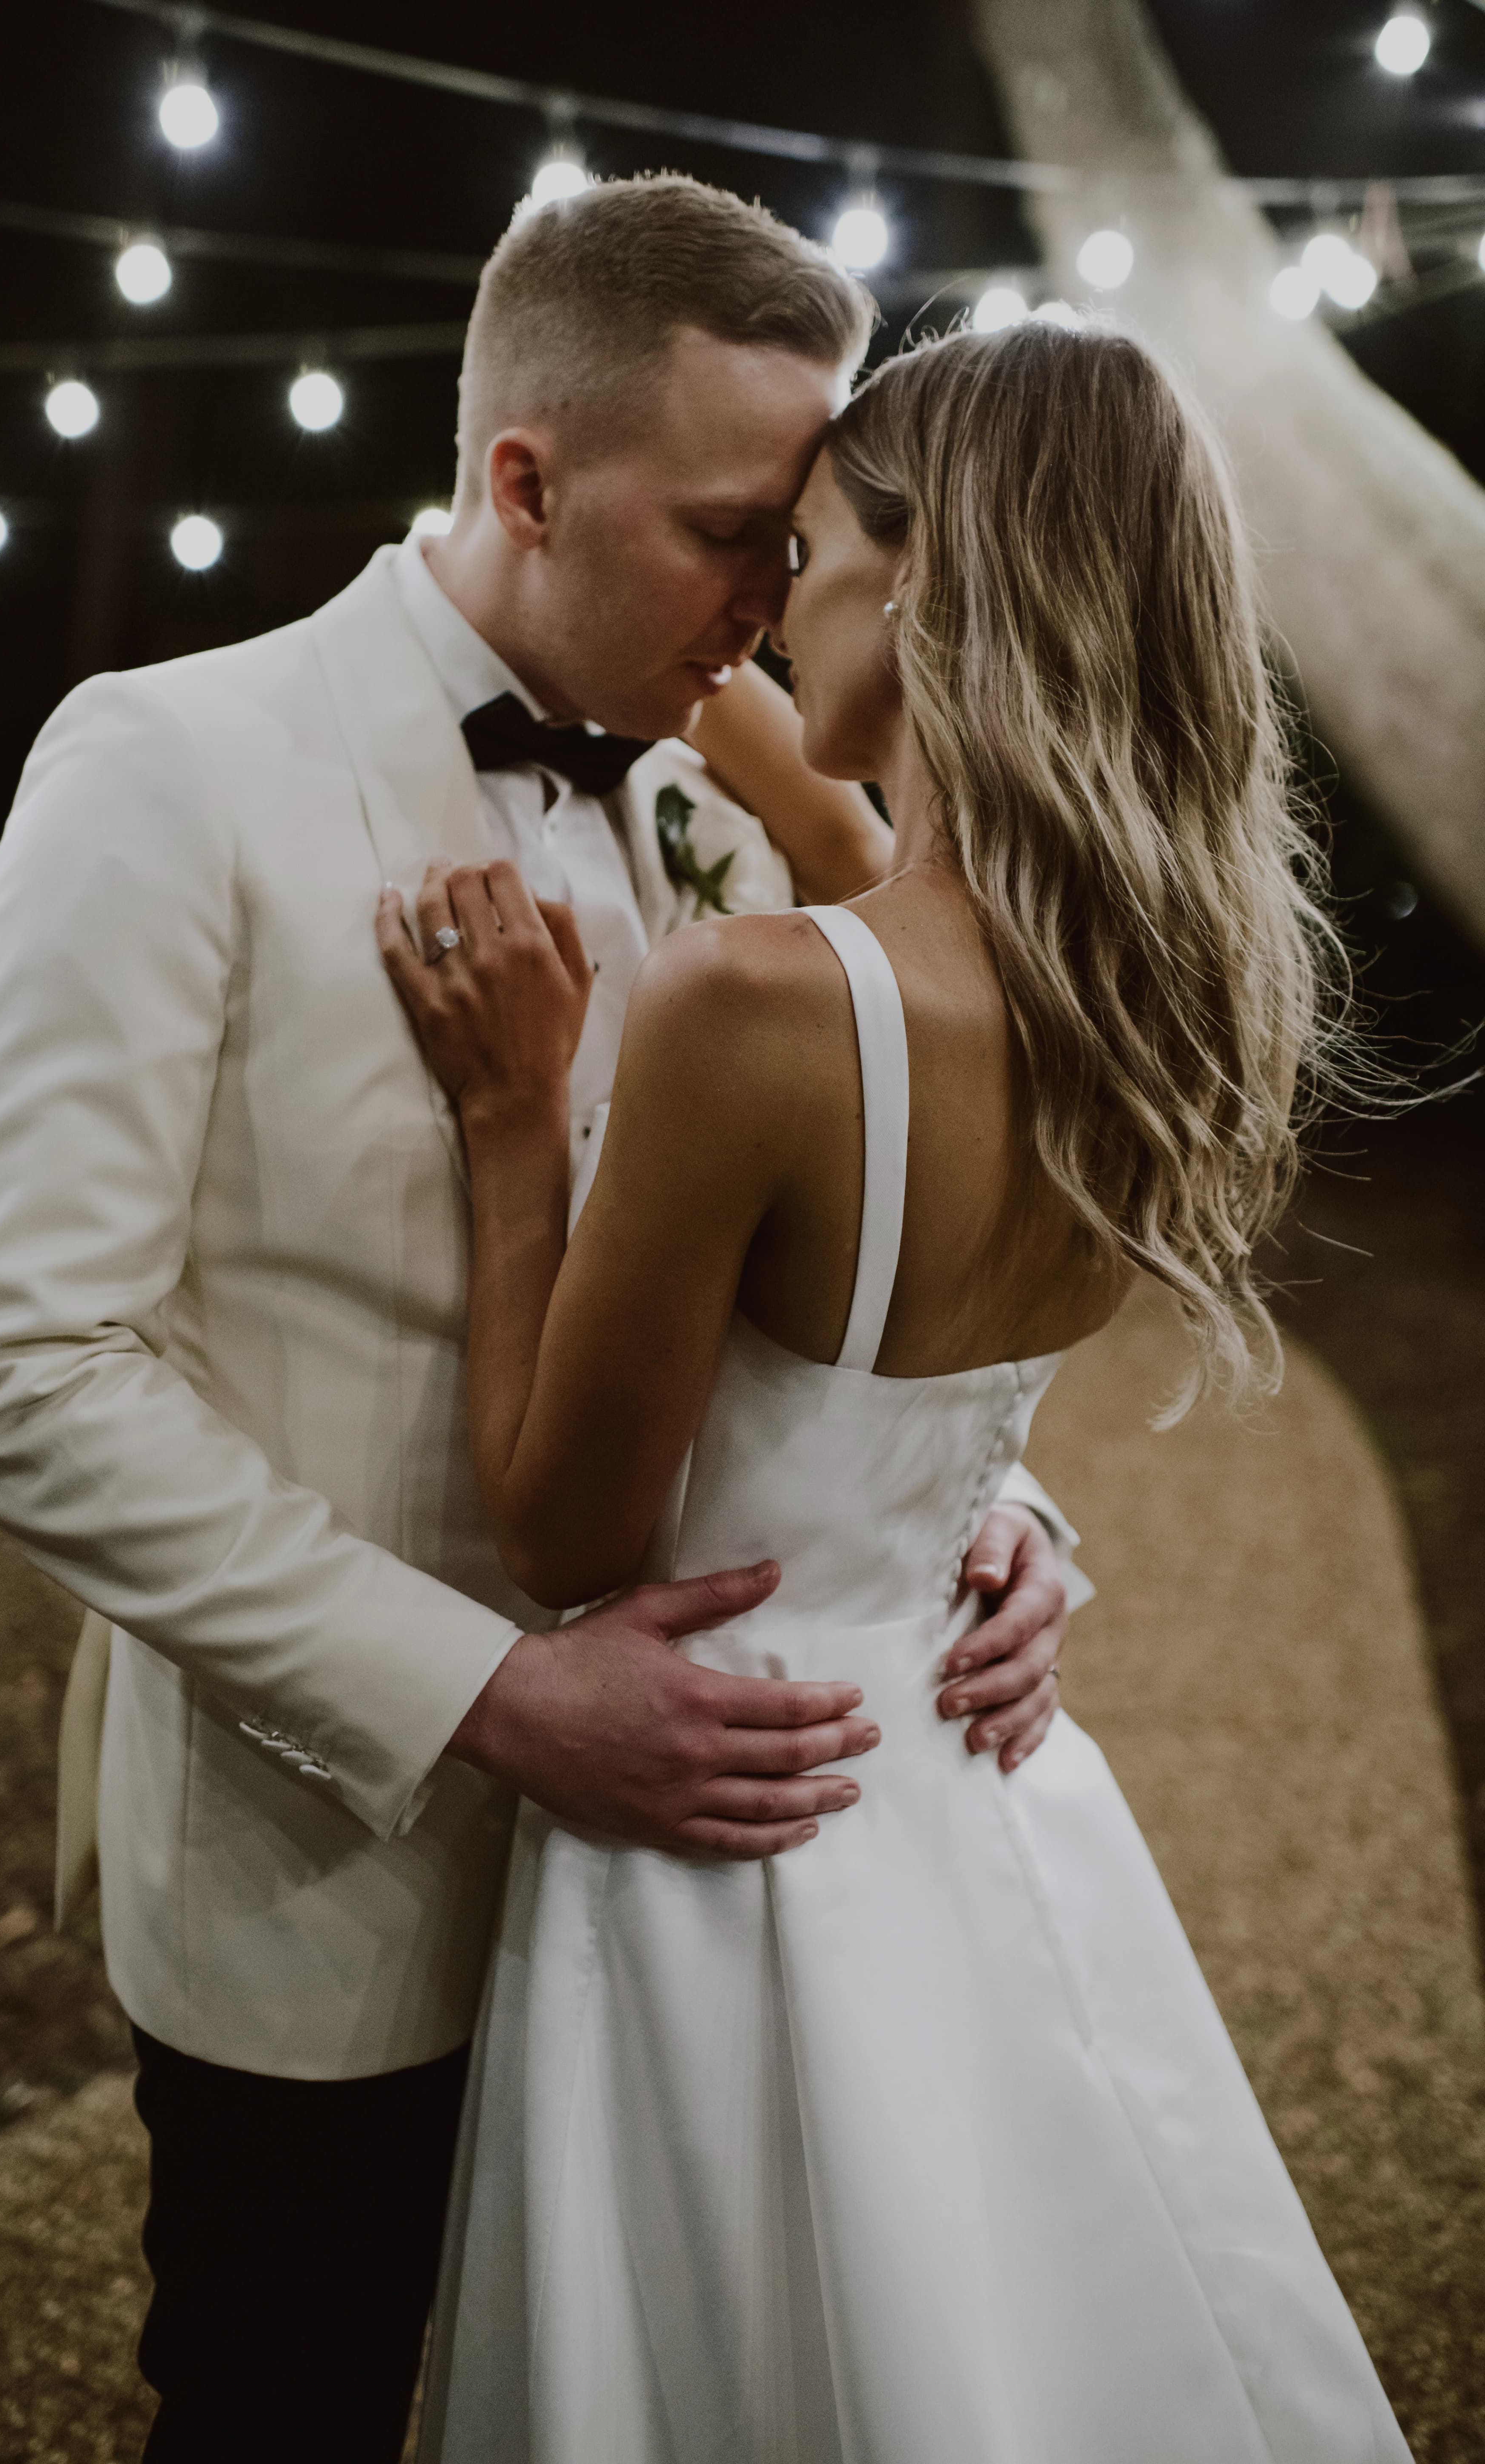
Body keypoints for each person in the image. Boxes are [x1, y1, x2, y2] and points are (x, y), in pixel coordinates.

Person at [0, 177, 1079, 2460]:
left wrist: (991, 1502)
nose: (782, 603)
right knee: (286, 2405)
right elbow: (19, 1370)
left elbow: (792, 1275)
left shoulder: (709, 813)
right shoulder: (168, 764)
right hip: (334, 1876)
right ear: (525, 478)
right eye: (738, 530)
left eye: (799, 540)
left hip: (694, 1905)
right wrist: (491, 1695)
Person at [382, 322, 1412, 2461]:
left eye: (815, 545)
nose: (765, 605)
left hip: (732, 1811)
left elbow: (566, 1535)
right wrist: (786, 765)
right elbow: (932, 1387)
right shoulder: (1153, 1000)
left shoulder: (745, 1005)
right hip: (975, 1792)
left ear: (928, 587)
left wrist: (513, 1129)